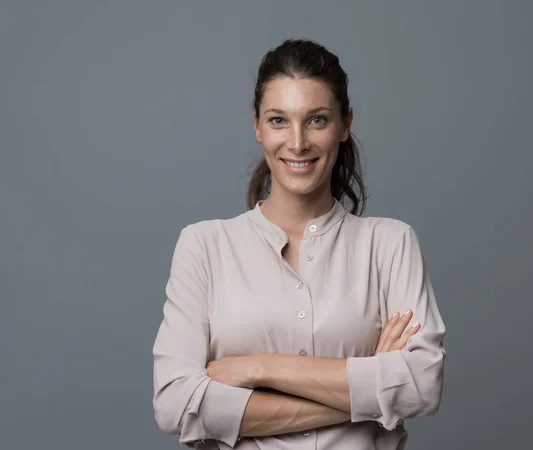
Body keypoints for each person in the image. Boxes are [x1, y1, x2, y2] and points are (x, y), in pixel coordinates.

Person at [152, 38, 446, 449]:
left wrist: (258, 368)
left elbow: (422, 385)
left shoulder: (390, 243)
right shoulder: (203, 246)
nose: (297, 142)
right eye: (278, 120)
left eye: (317, 120)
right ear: (256, 125)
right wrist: (372, 385)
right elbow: (177, 404)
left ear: (345, 124)